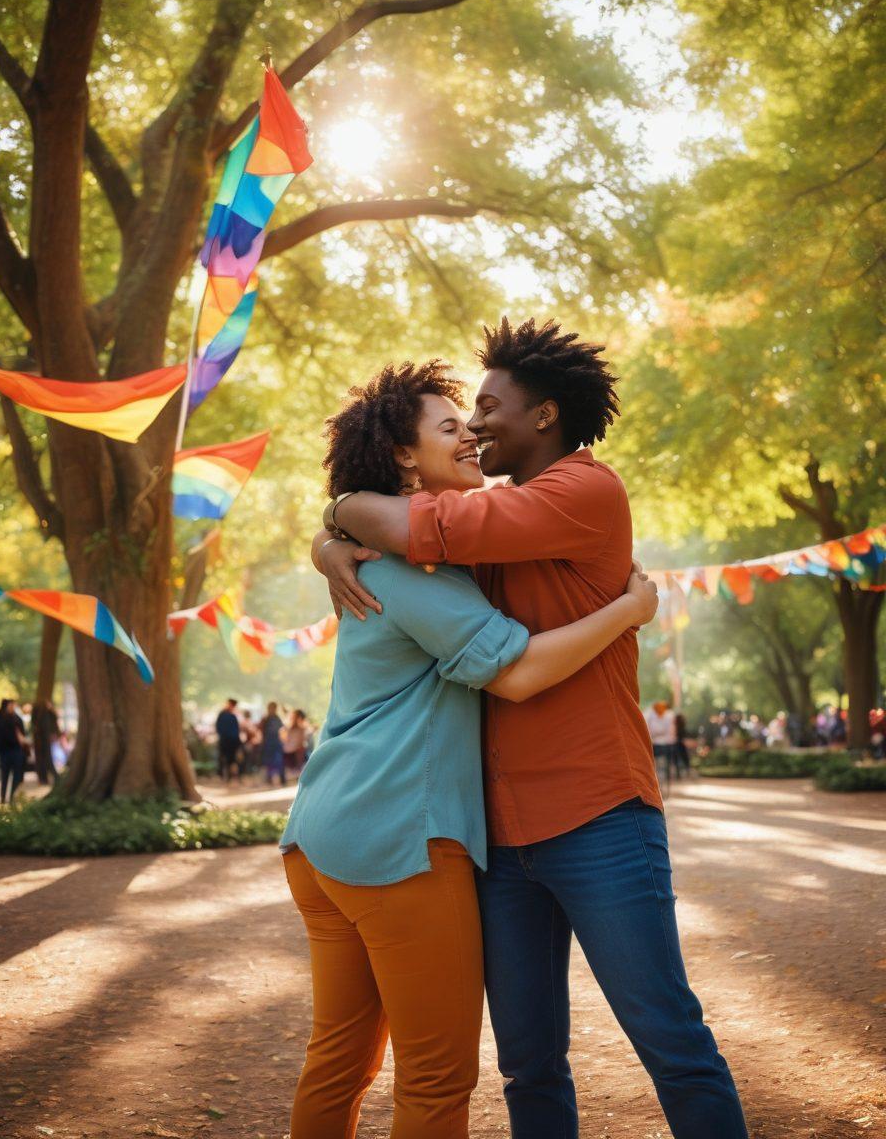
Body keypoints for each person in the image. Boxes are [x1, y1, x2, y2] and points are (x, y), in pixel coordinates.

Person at [319, 319, 748, 1139]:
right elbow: (409, 523)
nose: (475, 424)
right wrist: (328, 537)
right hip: (499, 840)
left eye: (489, 406)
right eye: (465, 413)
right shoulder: (497, 513)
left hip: (599, 816)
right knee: (529, 1065)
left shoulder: (586, 494)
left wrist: (339, 514)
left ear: (544, 415)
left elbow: (422, 528)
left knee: (671, 1041)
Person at [284, 359, 659, 1139]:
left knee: (341, 1058)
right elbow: (517, 675)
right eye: (451, 426)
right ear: (401, 457)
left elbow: (382, 517)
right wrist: (628, 610)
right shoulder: (419, 572)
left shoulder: (402, 546)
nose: (473, 433)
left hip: (322, 832)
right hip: (396, 838)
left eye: (478, 417)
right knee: (435, 1075)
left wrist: (331, 531)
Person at [0, 698, 30, 803]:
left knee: (17, 775)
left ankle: (12, 796)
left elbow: (22, 733)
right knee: (5, 775)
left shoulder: (16, 718)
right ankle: (3, 798)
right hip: (5, 750)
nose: (13, 707)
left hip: (16, 750)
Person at [646, 699, 678, 782]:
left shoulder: (669, 715)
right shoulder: (649, 714)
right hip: (655, 743)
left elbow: (671, 731)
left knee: (664, 760)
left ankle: (666, 774)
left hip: (665, 744)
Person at [214, 698, 242, 781]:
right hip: (226, 740)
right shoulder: (224, 715)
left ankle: (229, 776)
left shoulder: (231, 716)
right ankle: (224, 776)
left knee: (230, 759)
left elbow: (236, 730)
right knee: (225, 758)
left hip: (230, 741)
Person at [260, 701, 286, 786]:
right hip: (269, 743)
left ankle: (280, 779)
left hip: (275, 742)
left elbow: (281, 731)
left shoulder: (276, 718)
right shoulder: (266, 719)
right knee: (270, 762)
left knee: (277, 761)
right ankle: (270, 779)